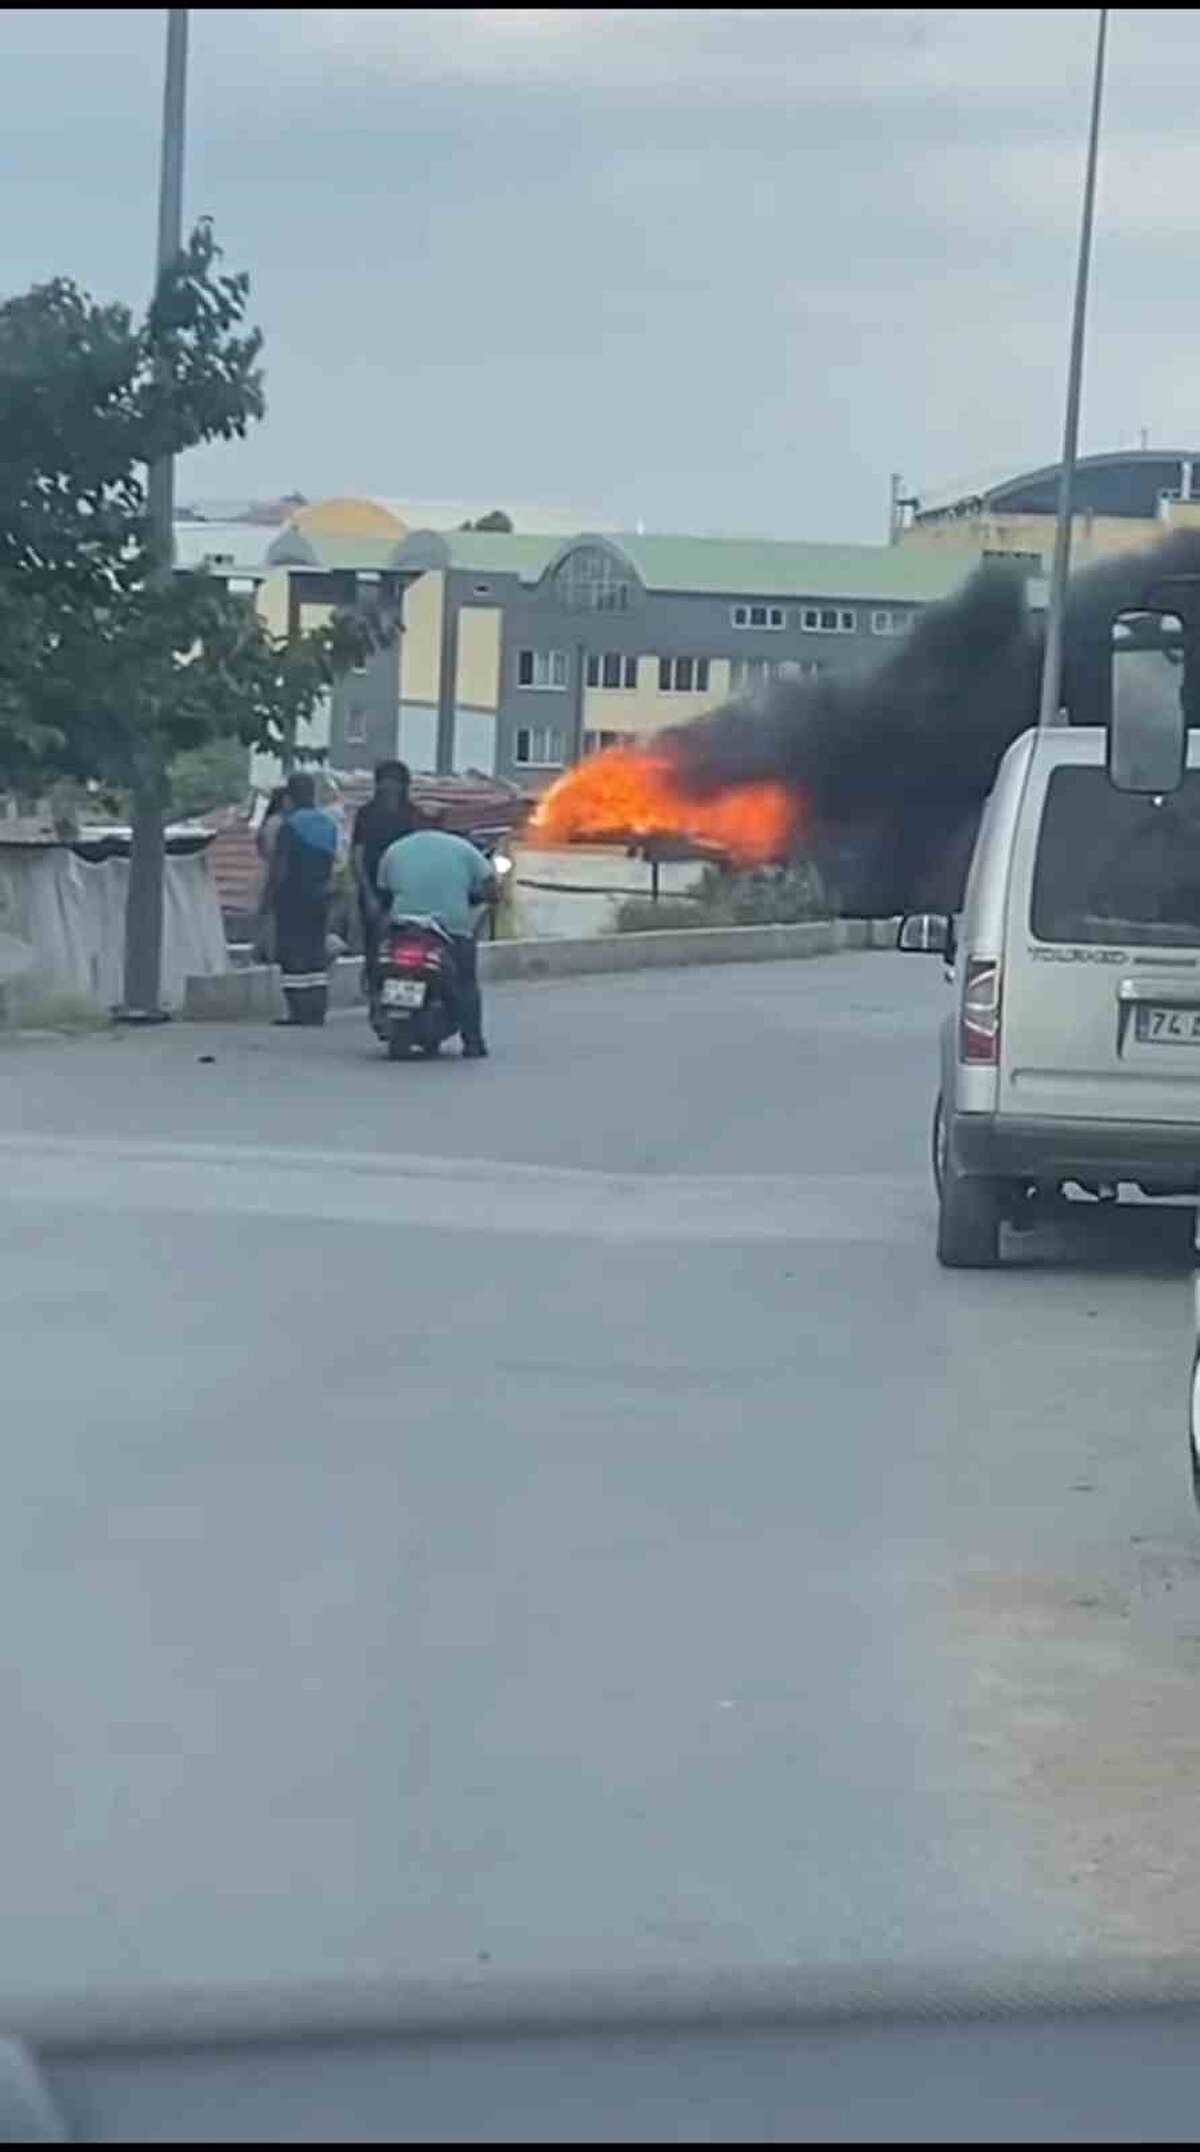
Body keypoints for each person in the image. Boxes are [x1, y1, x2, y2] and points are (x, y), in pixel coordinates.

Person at [376, 824, 498, 1058]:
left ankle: (381, 1008)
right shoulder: (465, 849)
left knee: (380, 965)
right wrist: (479, 898)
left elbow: (384, 888)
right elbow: (490, 888)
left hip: (402, 924)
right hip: (450, 927)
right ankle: (473, 1042)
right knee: (465, 982)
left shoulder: (395, 849)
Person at [265, 771, 339, 1026]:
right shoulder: (328, 824)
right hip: (321, 895)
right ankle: (317, 1009)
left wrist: (269, 897)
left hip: (292, 896)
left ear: (290, 796)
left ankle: (298, 1011)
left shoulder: (290, 825)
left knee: (292, 954)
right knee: (316, 953)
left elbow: (281, 866)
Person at [350, 760, 426, 996]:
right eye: (385, 783)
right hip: (373, 888)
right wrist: (367, 892)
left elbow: (421, 853)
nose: (389, 788)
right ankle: (375, 988)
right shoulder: (366, 815)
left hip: (405, 890)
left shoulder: (413, 815)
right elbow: (357, 855)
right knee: (375, 943)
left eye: (395, 783)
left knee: (408, 940)